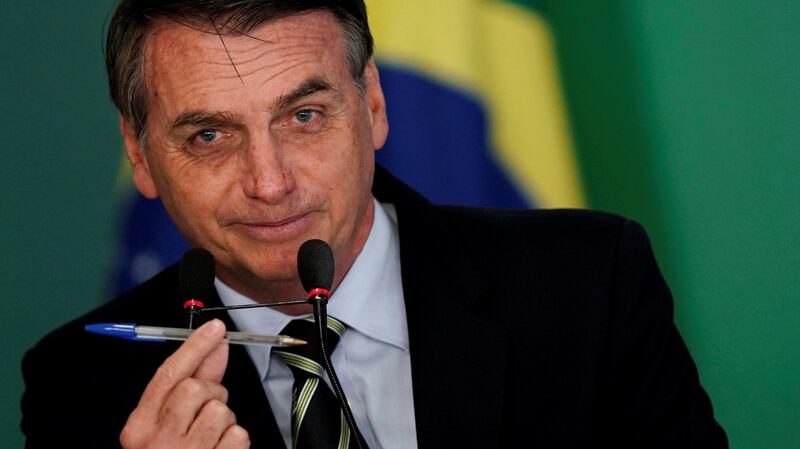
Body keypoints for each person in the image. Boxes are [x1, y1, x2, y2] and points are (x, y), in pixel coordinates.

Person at [21, 1, 728, 448]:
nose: (270, 183)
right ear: (141, 155)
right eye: (210, 135)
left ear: (375, 106)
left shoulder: (587, 283)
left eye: (304, 116)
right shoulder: (83, 386)